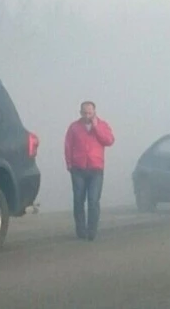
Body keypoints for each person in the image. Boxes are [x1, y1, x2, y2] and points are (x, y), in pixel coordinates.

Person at [64, 101, 115, 241]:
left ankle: (92, 231)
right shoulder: (74, 127)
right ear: (80, 112)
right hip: (78, 169)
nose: (87, 115)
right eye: (85, 112)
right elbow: (68, 145)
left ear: (94, 112)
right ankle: (81, 231)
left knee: (93, 200)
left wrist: (96, 127)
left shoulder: (102, 125)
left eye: (90, 113)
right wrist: (69, 164)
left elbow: (109, 140)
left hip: (96, 169)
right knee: (78, 200)